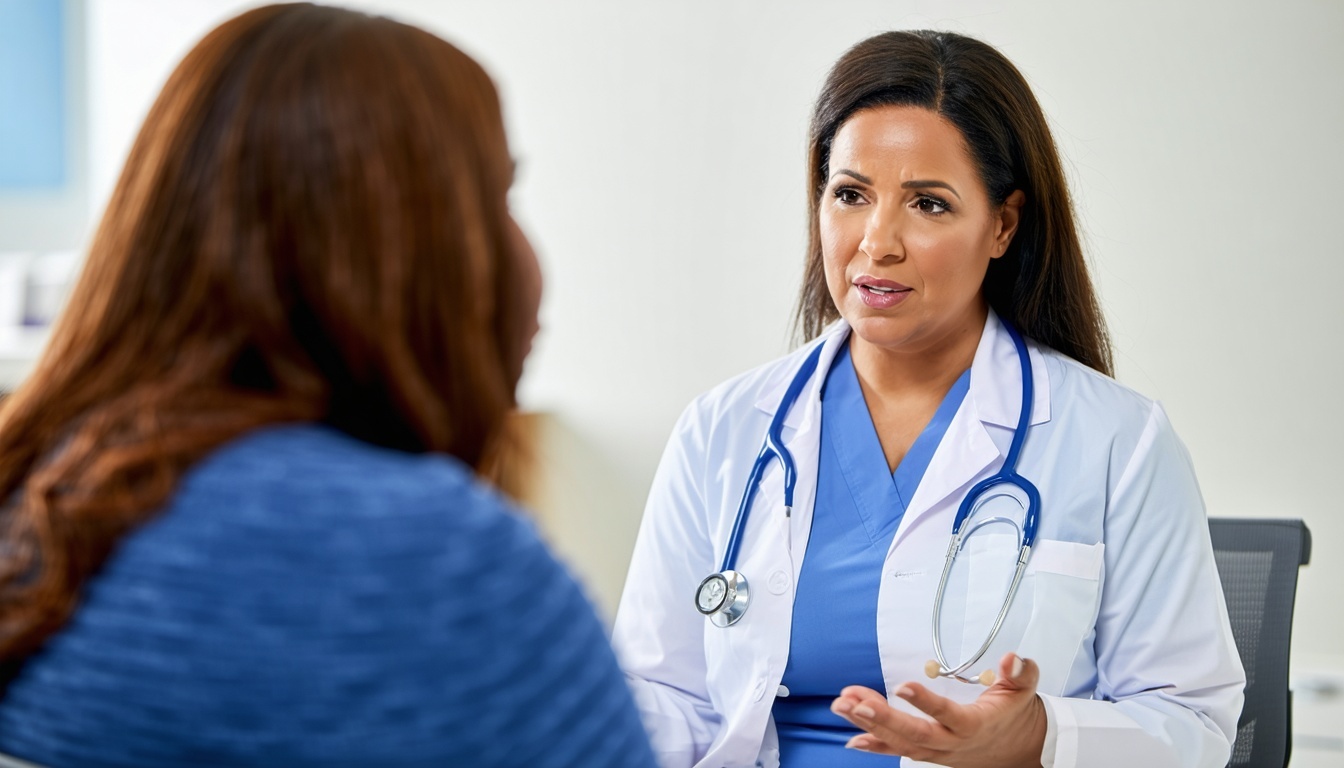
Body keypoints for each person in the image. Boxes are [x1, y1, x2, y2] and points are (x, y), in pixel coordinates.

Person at [0, 5, 655, 767]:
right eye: (496, 199)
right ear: (411, 249)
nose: (527, 257)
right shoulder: (442, 575)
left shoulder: (29, 500)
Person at [613, 30, 1243, 768]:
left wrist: (1034, 736)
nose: (877, 243)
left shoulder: (1117, 440)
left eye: (929, 205)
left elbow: (1193, 723)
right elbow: (665, 697)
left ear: (1003, 225)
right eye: (850, 194)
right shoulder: (722, 431)